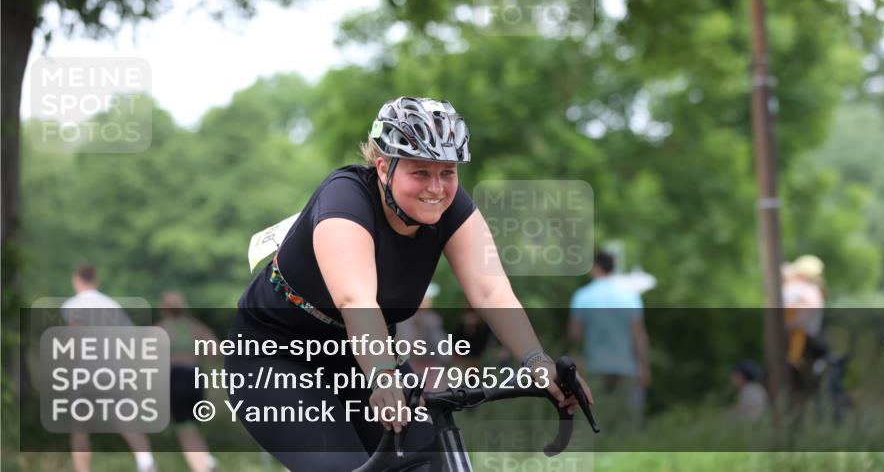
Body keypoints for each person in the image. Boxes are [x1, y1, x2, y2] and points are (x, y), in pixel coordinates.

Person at [226, 96, 592, 472]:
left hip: (362, 355)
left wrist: (537, 361)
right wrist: (384, 374)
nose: (436, 188)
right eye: (420, 172)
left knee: (428, 464)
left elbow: (491, 291)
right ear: (384, 167)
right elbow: (356, 300)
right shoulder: (344, 198)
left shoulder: (451, 206)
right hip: (276, 355)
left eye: (448, 172)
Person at [61, 265, 157, 472]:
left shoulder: (73, 305)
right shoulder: (111, 305)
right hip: (113, 370)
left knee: (80, 428)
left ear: (76, 280)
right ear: (96, 280)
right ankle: (146, 462)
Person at [568, 251, 649, 430]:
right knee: (627, 422)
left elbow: (574, 334)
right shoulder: (630, 296)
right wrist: (643, 366)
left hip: (594, 364)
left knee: (594, 418)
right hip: (626, 365)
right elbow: (638, 335)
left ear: (596, 268)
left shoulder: (582, 296)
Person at [156, 291, 219, 472]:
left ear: (163, 308)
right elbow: (216, 350)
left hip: (176, 379)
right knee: (192, 426)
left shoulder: (162, 329)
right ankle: (206, 460)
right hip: (196, 377)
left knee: (184, 430)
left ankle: (202, 467)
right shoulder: (195, 327)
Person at [781, 254, 826, 371]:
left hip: (801, 331)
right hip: (794, 328)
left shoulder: (808, 289)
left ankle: (794, 360)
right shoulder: (799, 287)